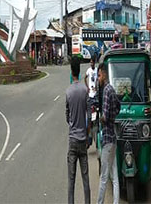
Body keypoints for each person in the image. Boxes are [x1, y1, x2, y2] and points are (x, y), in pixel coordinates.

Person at [65, 56, 90, 204]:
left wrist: (72, 123)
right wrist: (87, 135)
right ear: (79, 72)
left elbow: (67, 116)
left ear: (71, 72)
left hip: (72, 140)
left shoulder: (68, 92)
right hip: (83, 140)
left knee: (71, 180)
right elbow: (89, 116)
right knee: (85, 178)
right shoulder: (85, 90)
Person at [97, 63, 121, 204]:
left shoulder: (106, 91)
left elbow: (105, 116)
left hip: (107, 137)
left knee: (104, 176)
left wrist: (100, 119)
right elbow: (118, 106)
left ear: (104, 74)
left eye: (99, 75)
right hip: (114, 137)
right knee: (115, 176)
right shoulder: (112, 89)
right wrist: (113, 117)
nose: (98, 78)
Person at [84, 57, 98, 146]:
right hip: (90, 96)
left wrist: (97, 87)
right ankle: (87, 138)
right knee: (88, 119)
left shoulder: (97, 70)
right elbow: (85, 77)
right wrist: (87, 87)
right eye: (90, 62)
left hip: (96, 96)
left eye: (92, 62)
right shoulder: (88, 70)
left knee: (97, 117)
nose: (91, 64)